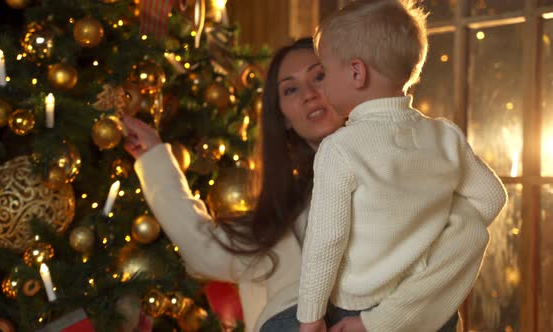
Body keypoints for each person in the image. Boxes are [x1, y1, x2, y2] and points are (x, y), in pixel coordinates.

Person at [122, 36, 496, 332]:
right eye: (290, 89)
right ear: (283, 118)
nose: (309, 93)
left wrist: (382, 322)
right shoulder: (284, 214)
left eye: (318, 76)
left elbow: (468, 231)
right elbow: (204, 249)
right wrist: (154, 158)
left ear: (352, 77)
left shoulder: (420, 158)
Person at [292, 1, 508, 332]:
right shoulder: (444, 136)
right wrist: (447, 230)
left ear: (355, 72)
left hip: (357, 311)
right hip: (432, 313)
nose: (320, 86)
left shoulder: (340, 148)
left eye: (323, 73)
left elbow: (326, 241)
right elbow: (491, 197)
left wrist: (310, 318)